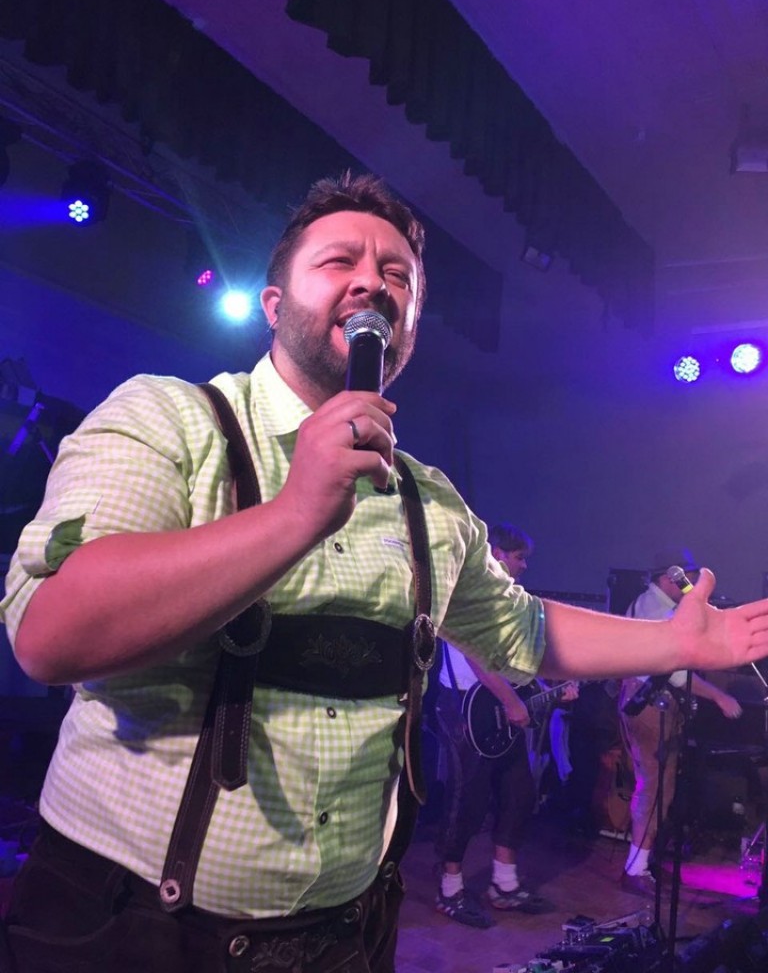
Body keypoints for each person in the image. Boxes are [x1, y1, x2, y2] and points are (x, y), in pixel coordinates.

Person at [2, 173, 768, 972]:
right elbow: (51, 635)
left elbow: (527, 632)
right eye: (340, 262)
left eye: (397, 274)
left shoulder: (430, 503)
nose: (373, 281)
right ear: (273, 305)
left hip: (346, 934)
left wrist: (676, 642)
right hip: (132, 931)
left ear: (407, 329)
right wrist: (294, 513)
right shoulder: (168, 418)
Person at [434, 524, 577, 928]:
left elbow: (514, 660)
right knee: (467, 800)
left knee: (519, 793)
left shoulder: (509, 598)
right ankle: (449, 889)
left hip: (498, 702)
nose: (524, 566)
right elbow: (478, 657)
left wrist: (549, 690)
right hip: (465, 705)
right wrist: (513, 702)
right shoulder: (470, 593)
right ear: (497, 553)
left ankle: (504, 884)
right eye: (519, 557)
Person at [619, 551, 743, 896]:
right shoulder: (656, 611)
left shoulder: (657, 607)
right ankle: (635, 868)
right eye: (685, 577)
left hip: (655, 705)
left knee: (662, 785)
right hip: (649, 706)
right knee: (655, 786)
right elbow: (674, 673)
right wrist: (719, 696)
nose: (689, 584)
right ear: (665, 579)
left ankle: (645, 860)